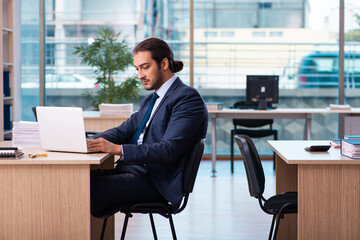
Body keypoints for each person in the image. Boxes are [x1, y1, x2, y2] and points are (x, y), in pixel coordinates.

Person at [87, 37, 208, 214]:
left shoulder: (187, 98)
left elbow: (168, 150)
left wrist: (119, 149)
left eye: (145, 67)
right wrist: (87, 142)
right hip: (134, 173)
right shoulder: (151, 100)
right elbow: (121, 132)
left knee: (82, 189)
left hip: (156, 184)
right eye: (137, 69)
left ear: (164, 63)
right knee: (76, 180)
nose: (140, 75)